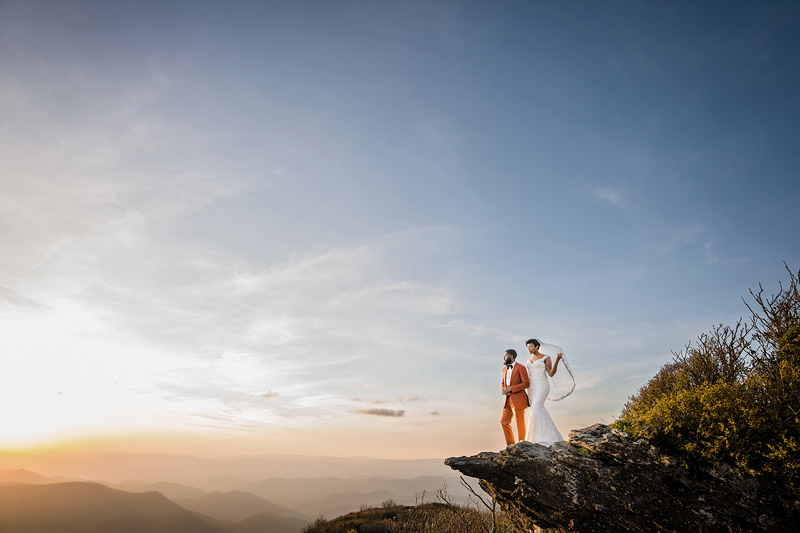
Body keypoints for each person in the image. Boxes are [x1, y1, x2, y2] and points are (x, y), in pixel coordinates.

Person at [524, 338, 565, 445]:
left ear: (537, 346)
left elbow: (551, 373)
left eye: (531, 346)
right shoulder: (528, 360)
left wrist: (557, 359)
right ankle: (534, 438)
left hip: (542, 386)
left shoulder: (546, 358)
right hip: (531, 388)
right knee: (534, 410)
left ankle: (547, 438)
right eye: (528, 347)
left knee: (537, 407)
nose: (529, 348)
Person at [500, 348, 530, 446]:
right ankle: (511, 445)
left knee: (519, 423)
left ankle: (522, 445)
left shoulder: (521, 368)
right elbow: (503, 383)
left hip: (518, 399)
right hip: (507, 400)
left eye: (506, 355)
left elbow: (526, 383)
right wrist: (503, 389)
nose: (504, 357)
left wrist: (511, 388)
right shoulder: (504, 369)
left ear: (512, 356)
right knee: (504, 422)